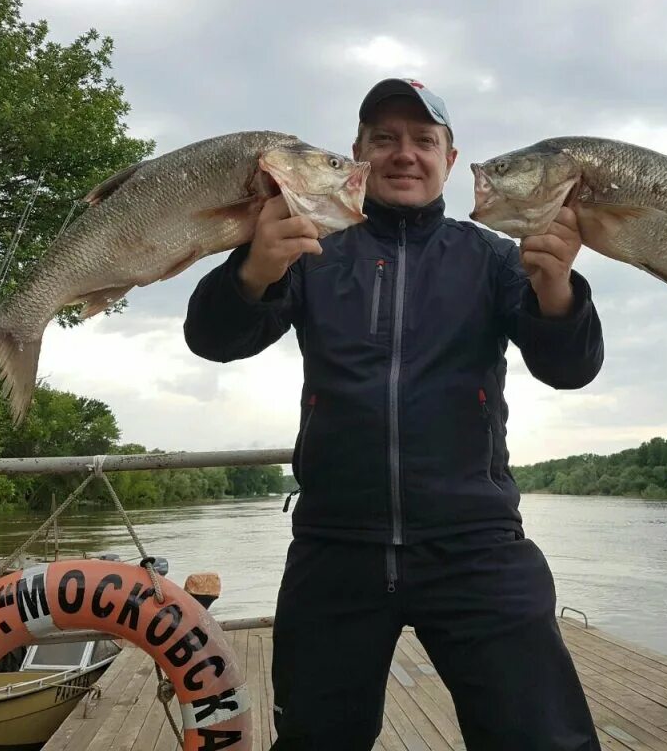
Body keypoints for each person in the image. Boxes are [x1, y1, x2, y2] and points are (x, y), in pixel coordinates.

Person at [184, 78, 604, 751]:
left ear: (449, 157)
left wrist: (557, 290)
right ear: (357, 154)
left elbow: (571, 367)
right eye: (384, 139)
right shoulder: (311, 247)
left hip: (475, 542)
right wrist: (254, 271)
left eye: (423, 140)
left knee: (544, 739)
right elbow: (213, 338)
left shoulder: (495, 257)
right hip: (336, 546)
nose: (404, 154)